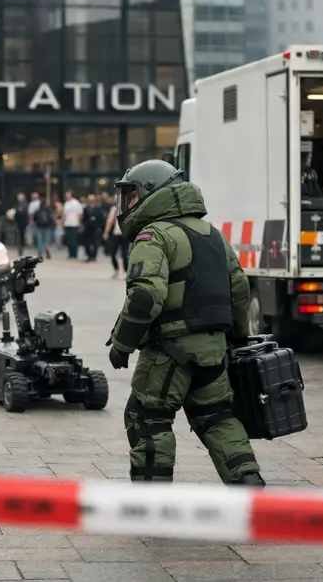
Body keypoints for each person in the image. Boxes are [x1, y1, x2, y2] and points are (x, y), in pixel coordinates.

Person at [105, 159, 264, 487]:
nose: (127, 204)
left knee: (147, 418)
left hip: (168, 350)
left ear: (152, 192)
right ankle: (247, 480)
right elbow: (239, 290)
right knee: (218, 417)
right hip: (213, 350)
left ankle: (153, 503)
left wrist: (122, 345)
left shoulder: (154, 236)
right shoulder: (213, 235)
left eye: (131, 195)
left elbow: (145, 297)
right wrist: (237, 338)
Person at [102, 202, 128, 278]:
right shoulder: (114, 209)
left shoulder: (129, 208)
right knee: (113, 252)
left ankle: (126, 271)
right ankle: (116, 269)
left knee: (125, 254)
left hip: (125, 235)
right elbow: (109, 221)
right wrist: (106, 232)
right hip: (115, 234)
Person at [61, 192, 83, 259]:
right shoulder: (66, 203)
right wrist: (63, 222)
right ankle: (70, 253)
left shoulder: (76, 203)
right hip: (67, 224)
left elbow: (80, 214)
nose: (66, 197)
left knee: (74, 240)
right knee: (69, 240)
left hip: (74, 224)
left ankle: (74, 254)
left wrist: (78, 222)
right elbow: (64, 214)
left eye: (68, 195)